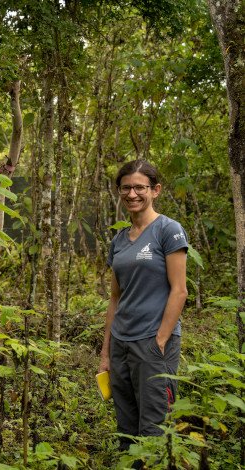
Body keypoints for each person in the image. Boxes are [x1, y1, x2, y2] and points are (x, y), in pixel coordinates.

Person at [98, 159, 188, 452]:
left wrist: (160, 341)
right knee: (126, 426)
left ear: (155, 190)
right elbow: (115, 298)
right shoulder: (119, 240)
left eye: (140, 187)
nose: (132, 194)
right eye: (126, 188)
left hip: (153, 341)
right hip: (121, 343)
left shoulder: (168, 230)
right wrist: (106, 351)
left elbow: (179, 291)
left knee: (154, 425)